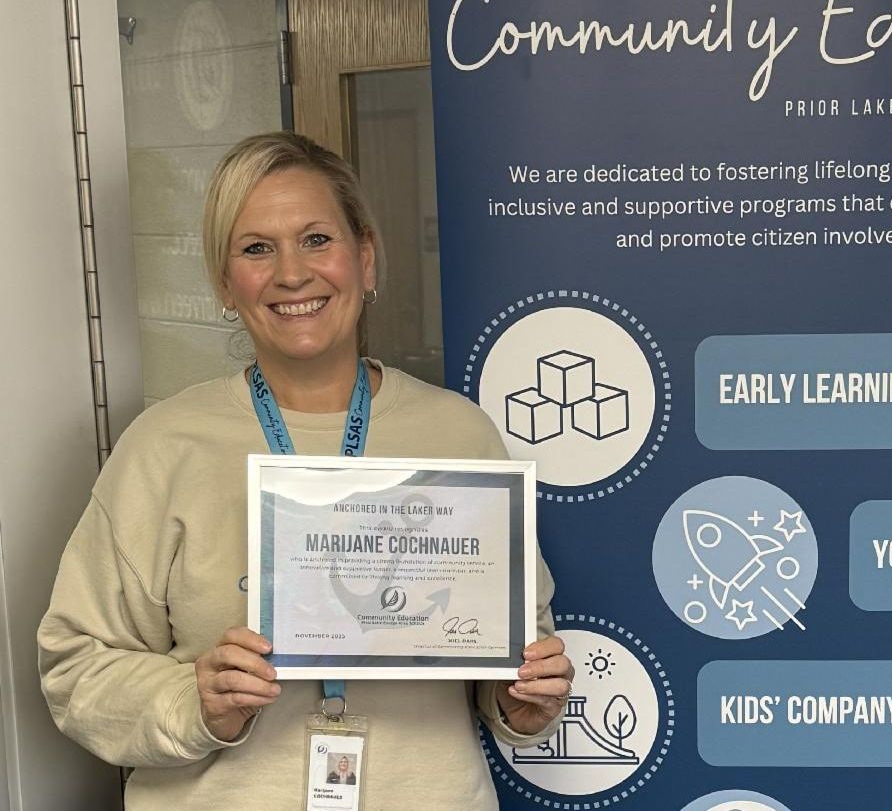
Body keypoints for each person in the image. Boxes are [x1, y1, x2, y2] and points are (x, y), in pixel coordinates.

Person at [38, 131, 573, 809]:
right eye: (256, 248)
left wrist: (520, 700)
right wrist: (193, 702)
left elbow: (517, 653)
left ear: (365, 259)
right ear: (225, 282)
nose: (292, 273)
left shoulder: (458, 436)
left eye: (317, 239)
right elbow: (76, 667)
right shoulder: (165, 447)